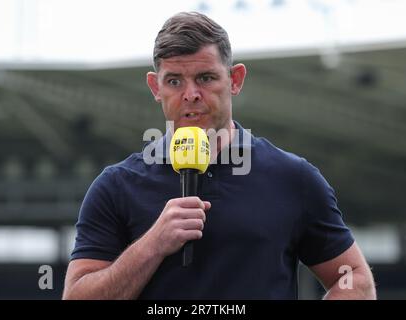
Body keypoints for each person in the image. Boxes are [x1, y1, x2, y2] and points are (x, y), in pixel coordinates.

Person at [62, 12, 376, 300]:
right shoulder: (117, 186)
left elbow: (354, 278)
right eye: (174, 81)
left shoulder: (293, 178)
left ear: (235, 80)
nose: (191, 94)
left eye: (206, 78)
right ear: (155, 87)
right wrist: (153, 244)